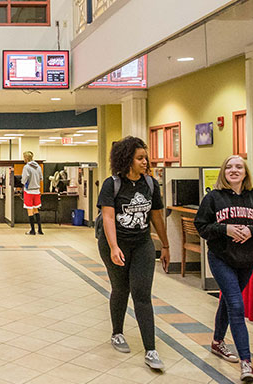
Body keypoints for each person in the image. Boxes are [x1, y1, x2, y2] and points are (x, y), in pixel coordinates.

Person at [194, 155, 253, 383]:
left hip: (247, 260)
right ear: (223, 172)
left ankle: (217, 342)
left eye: (239, 167)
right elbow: (201, 226)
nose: (234, 170)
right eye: (229, 167)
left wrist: (252, 231)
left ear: (245, 172)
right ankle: (246, 362)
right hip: (221, 258)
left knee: (228, 301)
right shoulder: (213, 198)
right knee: (237, 306)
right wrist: (225, 230)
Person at [96, 136, 170, 371]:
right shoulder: (112, 184)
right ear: (127, 160)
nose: (145, 162)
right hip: (114, 244)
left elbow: (156, 215)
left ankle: (151, 349)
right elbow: (108, 216)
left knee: (142, 294)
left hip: (142, 244)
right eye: (140, 158)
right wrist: (114, 246)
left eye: (145, 157)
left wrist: (166, 246)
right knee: (121, 288)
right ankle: (117, 333)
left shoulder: (150, 184)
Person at [21, 151, 44, 235]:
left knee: (30, 210)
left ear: (26, 158)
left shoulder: (26, 167)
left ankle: (32, 230)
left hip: (29, 191)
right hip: (37, 191)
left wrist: (23, 183)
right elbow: (41, 178)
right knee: (36, 210)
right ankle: (40, 230)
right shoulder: (38, 166)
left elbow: (24, 179)